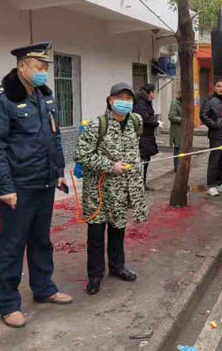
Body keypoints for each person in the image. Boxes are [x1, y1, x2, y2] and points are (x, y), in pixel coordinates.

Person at [0, 42, 73, 329]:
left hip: (44, 181)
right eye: (38, 66)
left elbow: (54, 137)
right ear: (22, 67)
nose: (43, 71)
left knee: (41, 240)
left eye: (46, 67)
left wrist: (58, 171)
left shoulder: (44, 96)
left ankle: (43, 288)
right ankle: (8, 303)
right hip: (18, 186)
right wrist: (5, 187)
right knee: (12, 244)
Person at [74, 82, 148, 296]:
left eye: (128, 99)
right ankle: (95, 275)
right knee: (96, 234)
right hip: (98, 191)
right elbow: (81, 154)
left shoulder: (136, 121)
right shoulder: (97, 125)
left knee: (118, 229)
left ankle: (117, 267)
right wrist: (110, 165)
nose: (124, 103)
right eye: (120, 98)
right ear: (110, 100)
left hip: (121, 190)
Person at [200, 79, 222, 197]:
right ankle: (212, 185)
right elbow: (203, 115)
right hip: (216, 135)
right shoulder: (209, 100)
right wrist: (215, 125)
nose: (221, 88)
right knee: (215, 160)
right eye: (218, 86)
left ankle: (221, 182)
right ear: (214, 87)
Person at [133, 84, 161, 189]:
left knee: (146, 160)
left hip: (148, 135)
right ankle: (140, 184)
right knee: (142, 160)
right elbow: (144, 119)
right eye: (153, 92)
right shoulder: (141, 103)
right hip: (143, 136)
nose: (154, 95)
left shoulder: (146, 102)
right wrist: (156, 123)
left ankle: (143, 183)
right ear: (149, 92)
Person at [168, 91, 182, 172]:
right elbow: (171, 116)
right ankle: (177, 168)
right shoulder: (175, 103)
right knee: (177, 149)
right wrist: (183, 119)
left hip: (183, 131)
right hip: (177, 131)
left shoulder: (185, 103)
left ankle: (181, 167)